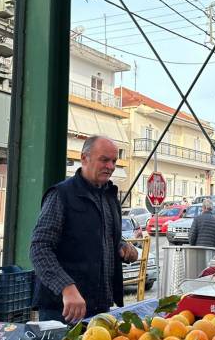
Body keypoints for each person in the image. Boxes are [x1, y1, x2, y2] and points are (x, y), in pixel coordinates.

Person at [30, 136, 138, 323]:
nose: (111, 166)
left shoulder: (109, 197)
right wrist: (66, 287)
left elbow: (102, 236)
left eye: (114, 161)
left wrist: (123, 247)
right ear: (84, 158)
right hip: (63, 309)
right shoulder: (61, 195)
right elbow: (39, 248)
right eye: (104, 160)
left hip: (100, 307)